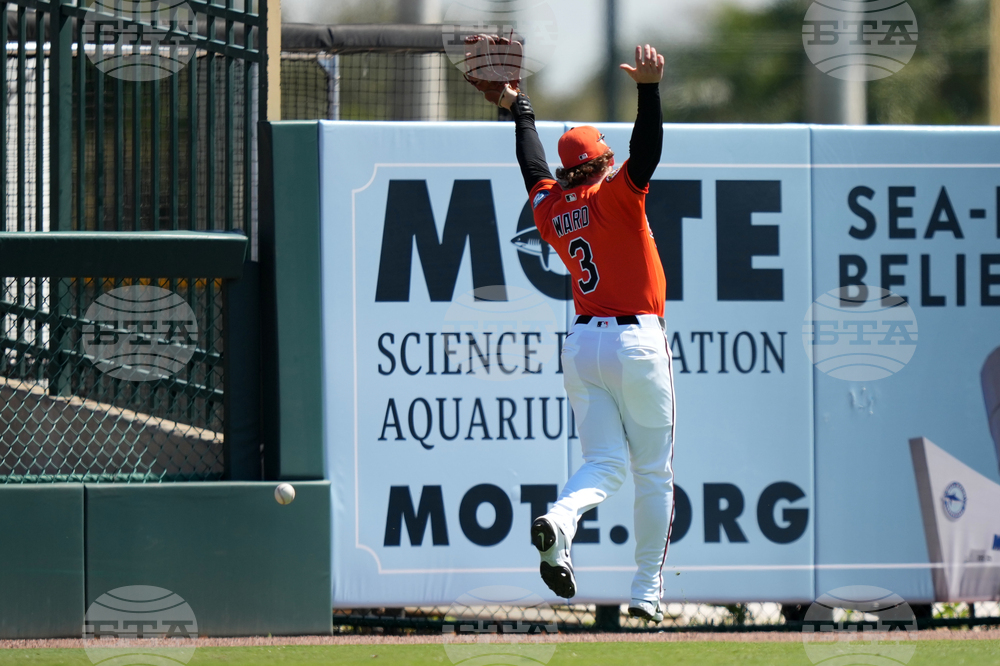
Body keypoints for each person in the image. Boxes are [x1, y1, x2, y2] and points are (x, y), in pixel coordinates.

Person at [497, 44, 674, 622]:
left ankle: (562, 521)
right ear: (602, 162)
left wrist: (521, 110)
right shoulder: (615, 196)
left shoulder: (551, 211)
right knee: (652, 471)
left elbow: (533, 169)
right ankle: (646, 589)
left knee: (604, 463)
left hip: (583, 346)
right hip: (635, 343)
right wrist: (648, 90)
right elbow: (645, 153)